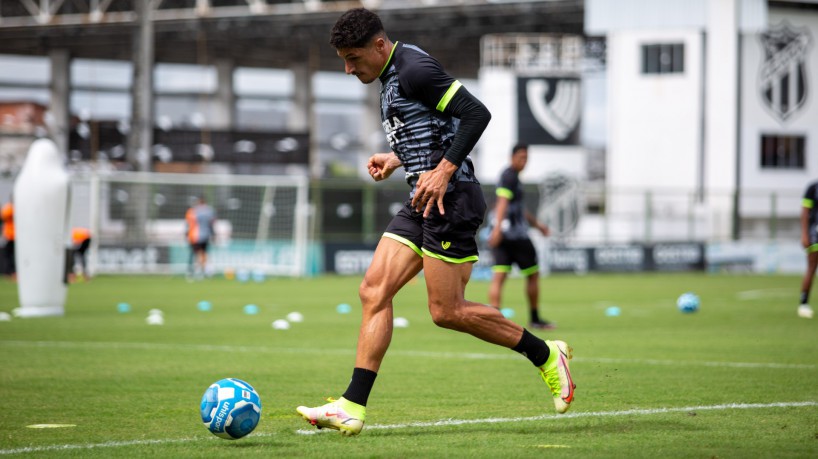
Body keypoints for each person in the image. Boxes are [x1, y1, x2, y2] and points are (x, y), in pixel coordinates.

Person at [296, 8, 575, 436]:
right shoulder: (389, 76)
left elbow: (475, 113)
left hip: (452, 199)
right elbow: (434, 126)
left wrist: (444, 169)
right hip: (421, 197)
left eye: (353, 58)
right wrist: (396, 159)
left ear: (378, 45)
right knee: (373, 290)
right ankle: (352, 405)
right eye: (343, 60)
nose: (349, 69)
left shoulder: (414, 67)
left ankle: (544, 354)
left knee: (447, 312)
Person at [487, 144, 554, 330]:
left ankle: (494, 322)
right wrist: (498, 229)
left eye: (526, 158)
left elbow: (518, 209)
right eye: (521, 157)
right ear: (512, 157)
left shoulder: (512, 177)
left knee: (499, 276)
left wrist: (538, 225)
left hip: (506, 233)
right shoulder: (509, 176)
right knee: (532, 274)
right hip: (515, 235)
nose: (524, 161)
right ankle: (534, 318)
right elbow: (502, 203)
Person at [798, 180, 817, 319]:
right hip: (814, 233)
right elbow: (805, 212)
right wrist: (804, 234)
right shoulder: (813, 188)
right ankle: (803, 303)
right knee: (812, 266)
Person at [185, 196, 216, 279]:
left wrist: (186, 234)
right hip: (205, 235)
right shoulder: (209, 211)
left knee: (196, 254)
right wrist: (213, 234)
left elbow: (188, 224)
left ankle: (194, 271)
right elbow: (211, 223)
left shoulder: (193, 211)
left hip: (195, 236)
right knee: (203, 253)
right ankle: (203, 271)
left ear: (199, 202)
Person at [1, 196, 14, 279]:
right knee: (9, 255)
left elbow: (3, 215)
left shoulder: (10, 208)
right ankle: (10, 272)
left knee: (8, 255)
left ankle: (10, 272)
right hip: (11, 235)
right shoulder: (11, 208)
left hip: (11, 235)